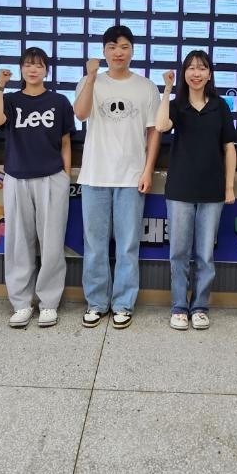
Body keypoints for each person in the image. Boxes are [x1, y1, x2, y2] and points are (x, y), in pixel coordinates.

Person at [74, 25, 160, 329]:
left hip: (131, 177)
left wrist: (147, 170)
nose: (118, 53)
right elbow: (81, 114)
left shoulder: (146, 87)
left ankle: (123, 303)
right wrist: (91, 77)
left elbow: (154, 132)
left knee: (127, 246)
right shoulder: (89, 81)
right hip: (95, 175)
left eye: (124, 46)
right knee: (94, 244)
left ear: (132, 50)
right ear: (104, 51)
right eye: (112, 47)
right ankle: (96, 302)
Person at [0, 48, 74, 328]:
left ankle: (49, 303)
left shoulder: (59, 101)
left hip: (52, 178)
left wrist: (65, 176)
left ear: (47, 70)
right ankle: (21, 303)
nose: (33, 69)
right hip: (16, 178)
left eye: (38, 65)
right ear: (21, 69)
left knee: (52, 244)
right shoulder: (10, 100)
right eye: (27, 65)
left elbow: (65, 142)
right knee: (18, 243)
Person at [156, 50, 236, 331]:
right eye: (191, 68)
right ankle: (179, 306)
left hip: (212, 190)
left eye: (202, 68)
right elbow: (161, 125)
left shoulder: (220, 106)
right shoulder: (177, 105)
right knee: (178, 252)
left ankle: (200, 306)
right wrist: (167, 89)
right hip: (180, 189)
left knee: (205, 254)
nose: (196, 73)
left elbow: (229, 148)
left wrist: (229, 187)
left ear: (209, 74)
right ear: (184, 73)